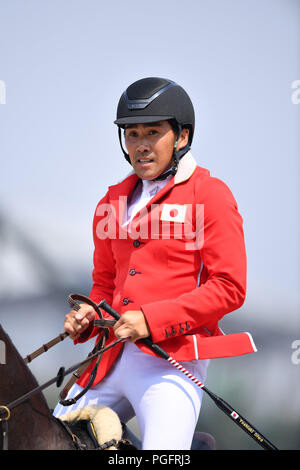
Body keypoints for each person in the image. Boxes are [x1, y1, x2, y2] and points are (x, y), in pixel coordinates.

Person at [53, 77, 256, 450]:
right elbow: (104, 284)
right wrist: (85, 315)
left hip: (170, 364)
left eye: (153, 132)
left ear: (181, 137)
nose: (141, 146)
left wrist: (151, 320)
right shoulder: (110, 202)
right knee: (40, 438)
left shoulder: (210, 196)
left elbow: (229, 287)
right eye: (132, 134)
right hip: (108, 359)